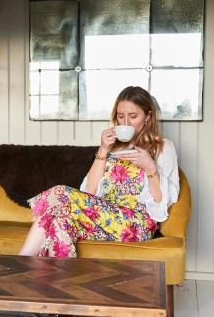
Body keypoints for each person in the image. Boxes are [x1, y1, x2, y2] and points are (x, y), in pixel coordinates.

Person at [19, 86, 180, 258]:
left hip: (136, 224)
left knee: (60, 192)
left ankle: (21, 261)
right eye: (120, 116)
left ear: (148, 116)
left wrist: (150, 167)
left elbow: (161, 203)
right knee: (59, 222)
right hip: (103, 218)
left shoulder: (163, 147)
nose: (126, 123)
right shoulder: (112, 148)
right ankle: (57, 280)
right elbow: (89, 192)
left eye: (133, 116)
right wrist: (103, 150)